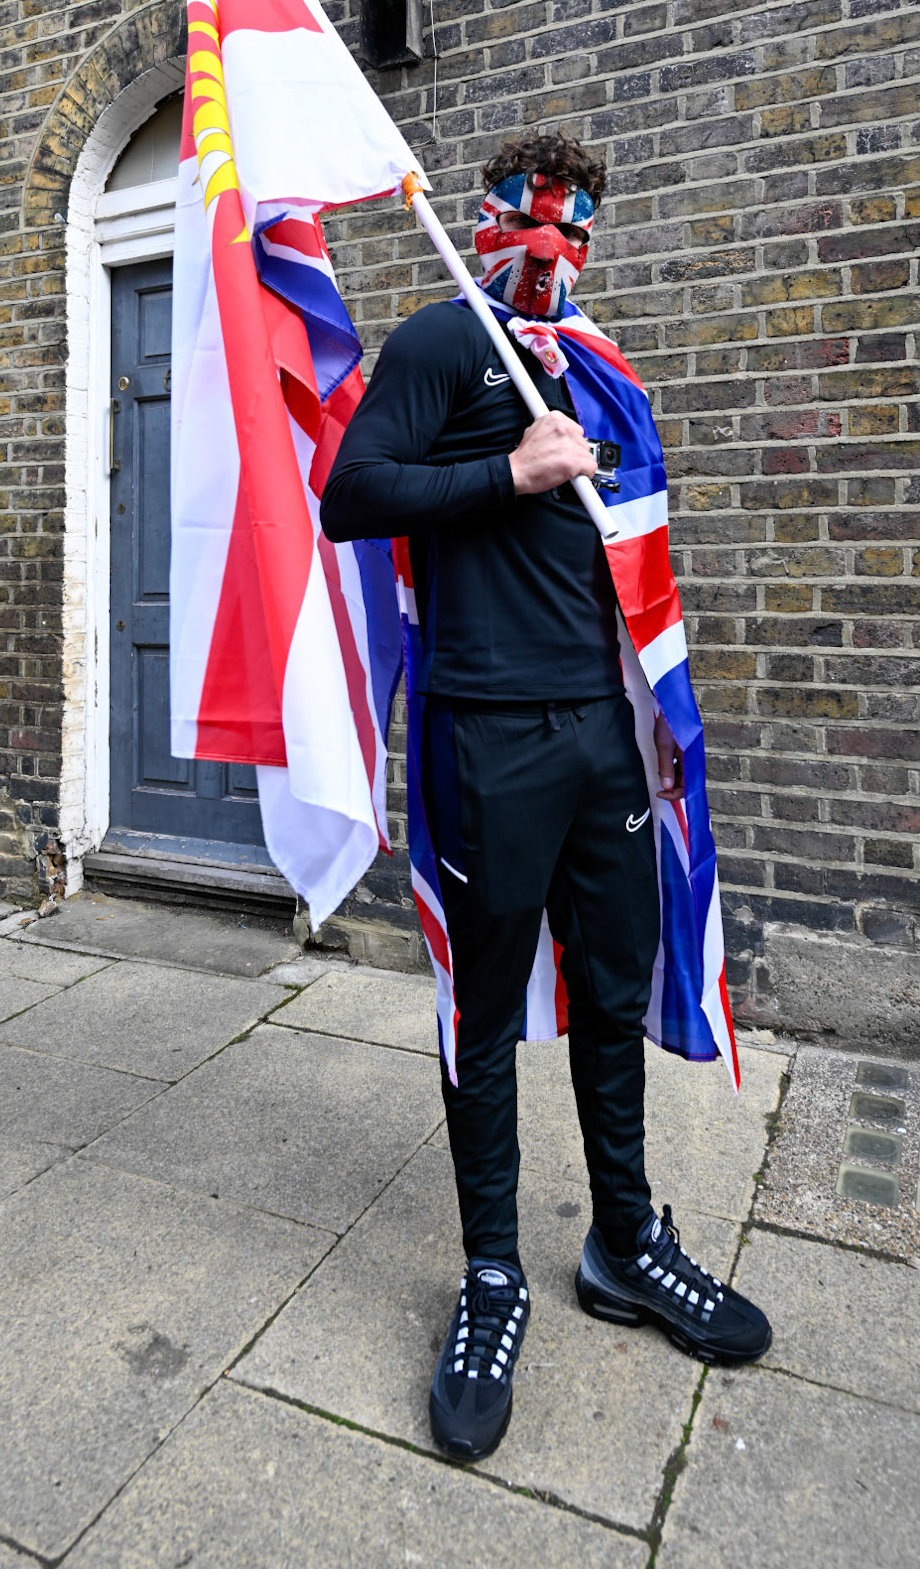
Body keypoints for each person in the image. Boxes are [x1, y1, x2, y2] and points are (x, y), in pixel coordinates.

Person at [320, 132, 771, 1462]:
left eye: (571, 232)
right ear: (480, 217)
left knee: (613, 992)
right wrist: (502, 471)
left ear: (593, 238)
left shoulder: (603, 376)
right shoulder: (443, 348)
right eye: (521, 223)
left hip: (604, 740)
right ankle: (493, 1277)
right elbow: (349, 493)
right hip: (486, 737)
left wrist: (656, 723)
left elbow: (630, 561)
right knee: (482, 1010)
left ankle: (625, 1244)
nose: (544, 250)